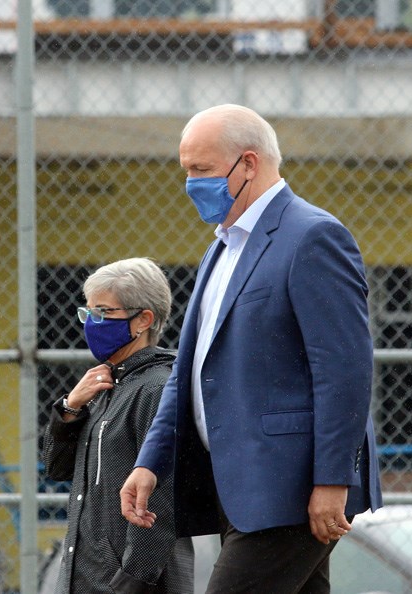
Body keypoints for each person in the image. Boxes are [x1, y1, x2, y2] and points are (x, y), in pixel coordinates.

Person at [119, 104, 383, 593]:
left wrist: (332, 481)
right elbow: (190, 372)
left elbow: (344, 369)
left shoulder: (313, 236)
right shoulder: (221, 246)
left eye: (201, 170)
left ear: (248, 163)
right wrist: (149, 462)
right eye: (187, 171)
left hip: (291, 487)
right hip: (238, 484)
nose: (191, 184)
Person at [43, 257, 194, 594]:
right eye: (89, 313)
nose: (92, 323)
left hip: (127, 583)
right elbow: (57, 468)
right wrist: (70, 408)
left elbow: (160, 497)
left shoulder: (156, 388)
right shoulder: (108, 386)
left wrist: (133, 580)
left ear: (143, 320)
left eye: (104, 312)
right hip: (87, 577)